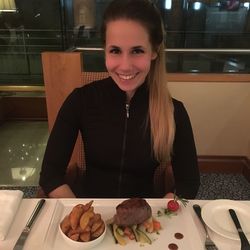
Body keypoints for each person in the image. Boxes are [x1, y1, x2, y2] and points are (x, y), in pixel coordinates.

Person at [39, 0, 200, 199]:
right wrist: (82, 215)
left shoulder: (174, 111)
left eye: (137, 51)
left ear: (154, 51)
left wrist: (167, 206)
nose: (125, 66)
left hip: (145, 219)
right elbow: (50, 175)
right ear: (105, 50)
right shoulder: (80, 101)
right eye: (115, 50)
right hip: (93, 213)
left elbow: (189, 182)